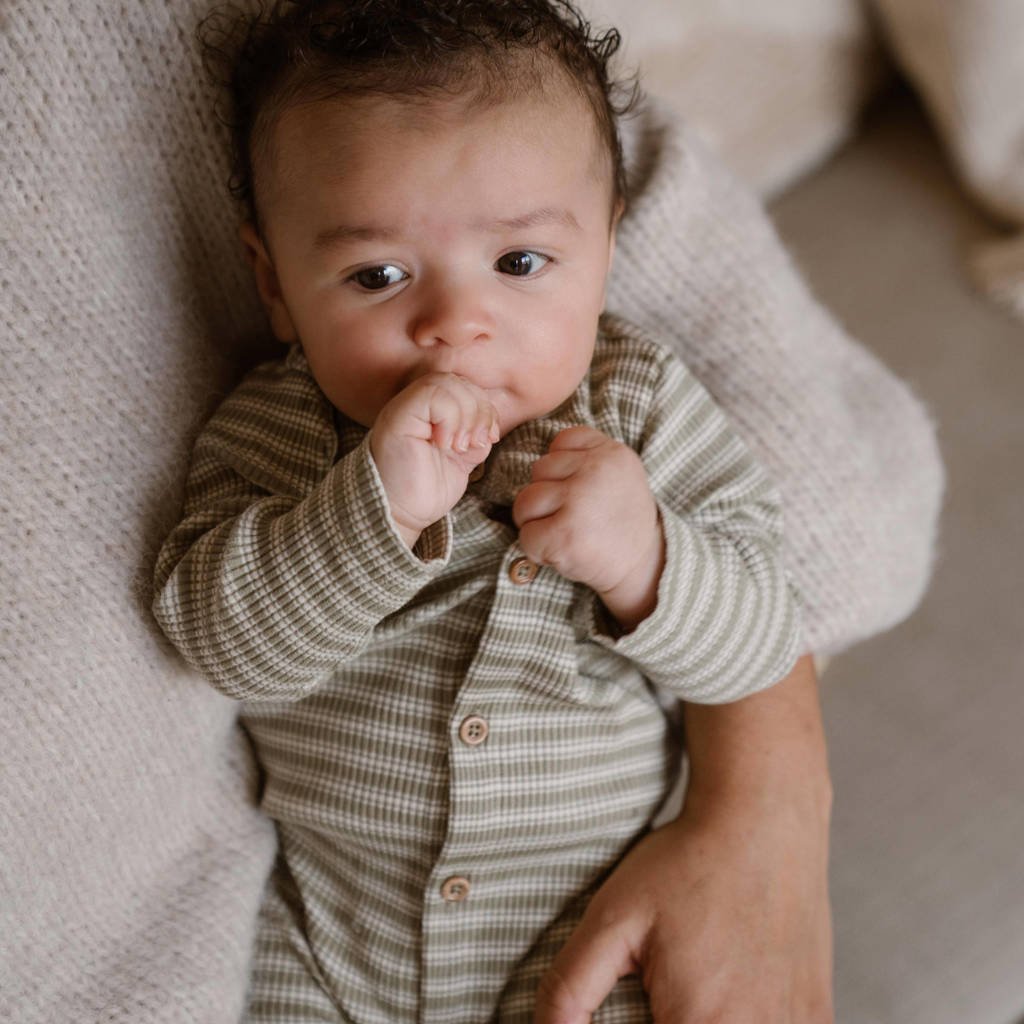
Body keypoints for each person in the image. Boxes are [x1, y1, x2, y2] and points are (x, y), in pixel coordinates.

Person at [152, 1, 829, 1020]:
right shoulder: (279, 427)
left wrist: (649, 559)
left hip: (588, 929)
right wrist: (370, 514)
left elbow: (763, 639)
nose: (454, 324)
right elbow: (219, 644)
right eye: (378, 275)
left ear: (604, 249)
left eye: (518, 263)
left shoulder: (638, 405)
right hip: (332, 941)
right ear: (275, 284)